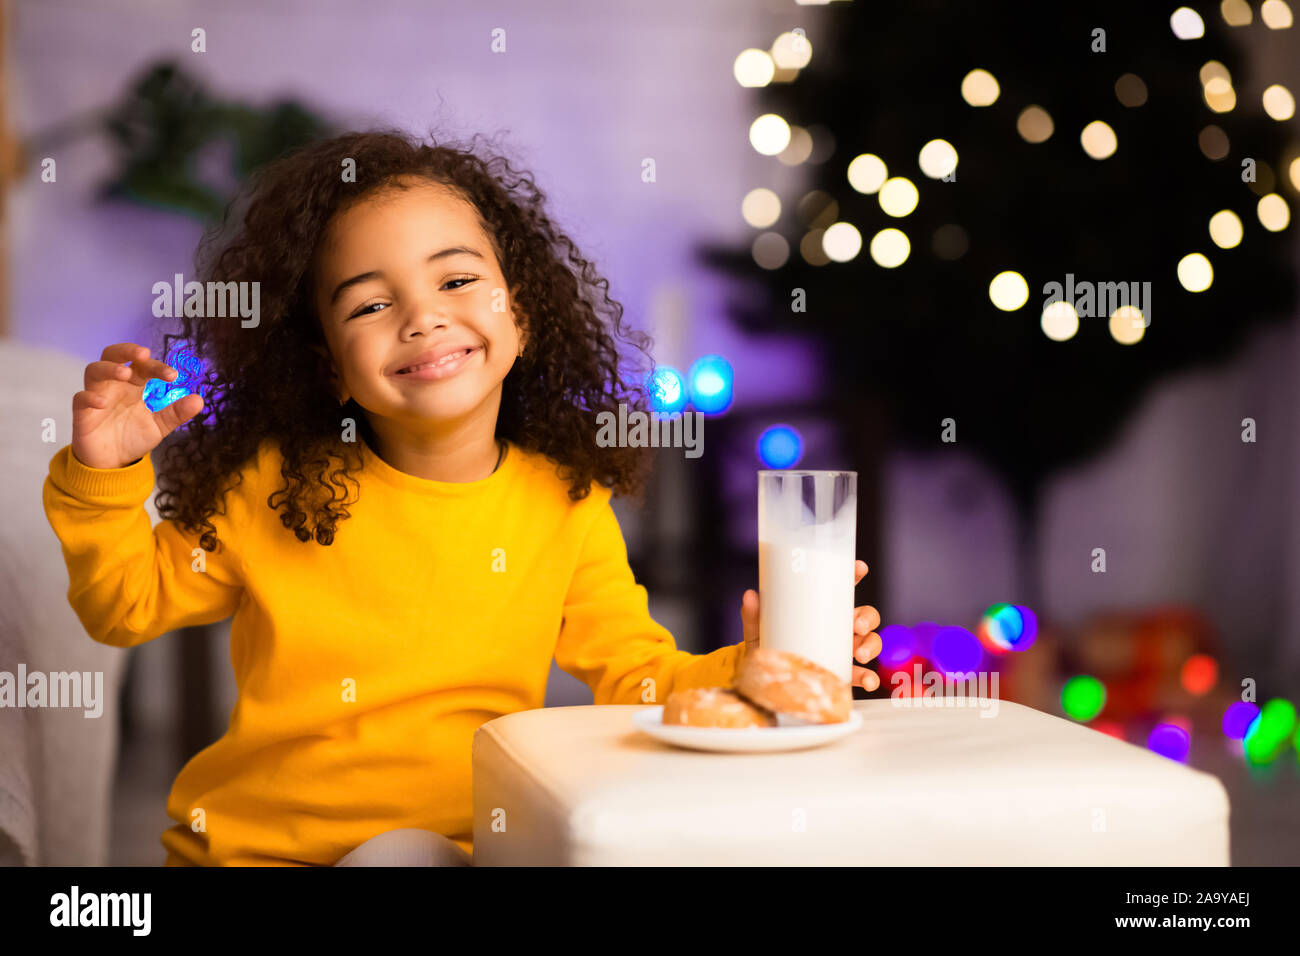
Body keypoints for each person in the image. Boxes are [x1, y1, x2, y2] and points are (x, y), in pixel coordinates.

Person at [42, 129, 883, 867]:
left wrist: (757, 669)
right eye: (371, 303)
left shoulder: (564, 501)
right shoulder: (273, 486)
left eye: (455, 281)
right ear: (329, 366)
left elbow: (637, 675)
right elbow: (123, 606)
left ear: (520, 315)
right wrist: (106, 476)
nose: (421, 317)